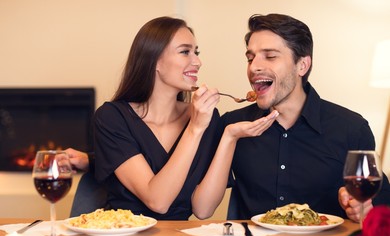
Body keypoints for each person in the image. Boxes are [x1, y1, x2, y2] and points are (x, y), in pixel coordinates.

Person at [93, 16, 278, 220]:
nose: (197, 62)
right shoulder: (112, 118)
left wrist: (228, 137)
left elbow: (203, 209)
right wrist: (194, 129)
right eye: (185, 52)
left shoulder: (205, 116)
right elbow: (158, 201)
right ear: (153, 60)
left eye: (196, 52)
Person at [222, 13, 390, 222]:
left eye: (270, 56)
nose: (254, 66)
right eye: (250, 57)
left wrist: (363, 210)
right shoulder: (232, 125)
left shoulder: (351, 128)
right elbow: (201, 203)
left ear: (302, 65)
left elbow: (382, 207)